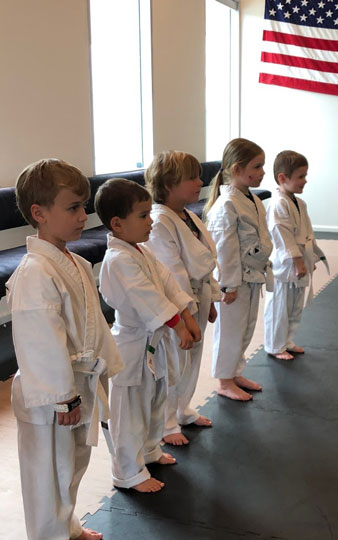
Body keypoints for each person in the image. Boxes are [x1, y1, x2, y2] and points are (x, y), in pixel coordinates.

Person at [6, 159, 124, 540]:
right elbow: (41, 340)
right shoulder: (35, 272)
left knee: (72, 466)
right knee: (47, 479)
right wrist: (62, 398)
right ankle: (48, 534)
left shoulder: (70, 260)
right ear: (39, 213)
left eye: (83, 206)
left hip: (76, 385)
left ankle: (67, 526)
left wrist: (104, 369)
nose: (83, 216)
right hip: (51, 397)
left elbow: (93, 322)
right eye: (73, 207)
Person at [95, 178, 199, 492]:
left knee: (154, 402)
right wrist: (178, 325)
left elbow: (166, 284)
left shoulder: (139, 251)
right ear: (118, 223)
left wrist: (186, 313)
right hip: (131, 346)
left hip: (152, 342)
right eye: (143, 215)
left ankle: (150, 450)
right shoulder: (119, 259)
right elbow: (147, 298)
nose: (150, 221)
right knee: (129, 412)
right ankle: (127, 472)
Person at [145, 151, 220, 446]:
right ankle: (167, 422)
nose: (200, 182)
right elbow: (172, 272)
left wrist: (211, 298)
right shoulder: (160, 221)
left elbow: (204, 258)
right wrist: (185, 315)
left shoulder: (186, 215)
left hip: (198, 293)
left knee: (192, 359)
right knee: (174, 362)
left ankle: (183, 409)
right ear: (168, 184)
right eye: (193, 177)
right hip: (179, 301)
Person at [204, 138, 273, 401]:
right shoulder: (227, 204)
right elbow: (225, 250)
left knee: (246, 328)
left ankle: (235, 372)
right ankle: (223, 380)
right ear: (236, 169)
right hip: (235, 280)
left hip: (253, 274)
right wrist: (228, 285)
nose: (262, 172)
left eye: (263, 166)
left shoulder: (250, 199)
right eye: (257, 166)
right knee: (231, 331)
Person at [264, 150, 328, 360]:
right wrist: (298, 261)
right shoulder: (278, 204)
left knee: (295, 306)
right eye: (301, 176)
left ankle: (287, 341)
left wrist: (312, 259)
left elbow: (308, 233)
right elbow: (282, 236)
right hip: (285, 264)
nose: (305, 180)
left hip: (300, 261)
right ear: (283, 178)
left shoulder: (300, 203)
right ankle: (274, 345)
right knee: (279, 307)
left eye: (305, 175)